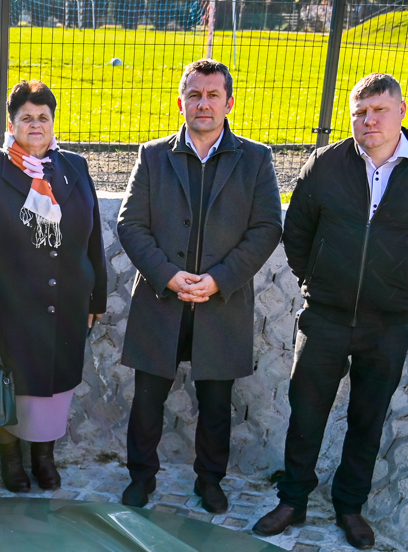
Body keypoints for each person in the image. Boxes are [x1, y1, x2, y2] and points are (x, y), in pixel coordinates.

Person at [253, 73, 408, 548]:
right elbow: (298, 231)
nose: (369, 120)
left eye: (379, 110)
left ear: (401, 112)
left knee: (367, 419)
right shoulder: (326, 164)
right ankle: (292, 500)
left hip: (387, 323)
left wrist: (403, 291)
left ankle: (350, 507)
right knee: (306, 413)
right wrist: (316, 282)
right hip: (325, 316)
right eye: (360, 112)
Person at [115, 58, 282, 513]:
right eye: (194, 95)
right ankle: (141, 477)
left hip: (221, 303)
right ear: (181, 102)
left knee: (216, 403)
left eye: (212, 95)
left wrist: (219, 279)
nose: (203, 103)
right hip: (161, 300)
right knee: (147, 400)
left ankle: (210, 481)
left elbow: (267, 227)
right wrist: (167, 275)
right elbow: (130, 224)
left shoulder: (255, 159)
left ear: (229, 103)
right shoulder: (153, 156)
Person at [0, 79, 106, 491]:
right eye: (26, 118)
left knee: (55, 386)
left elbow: (93, 237)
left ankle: (44, 457)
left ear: (53, 122)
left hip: (67, 300)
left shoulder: (75, 168)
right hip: (9, 304)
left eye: (43, 117)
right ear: (11, 124)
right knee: (11, 384)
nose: (35, 124)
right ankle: (10, 460)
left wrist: (97, 297)